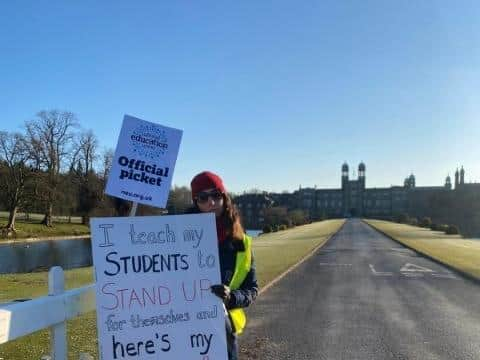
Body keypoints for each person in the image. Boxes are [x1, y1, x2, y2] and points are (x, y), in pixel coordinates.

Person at [188, 171, 258, 360]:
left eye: (216, 195)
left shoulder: (241, 242)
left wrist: (232, 297)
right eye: (203, 197)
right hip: (185, 327)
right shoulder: (178, 236)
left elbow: (252, 289)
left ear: (224, 198)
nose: (211, 202)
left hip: (224, 332)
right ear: (196, 202)